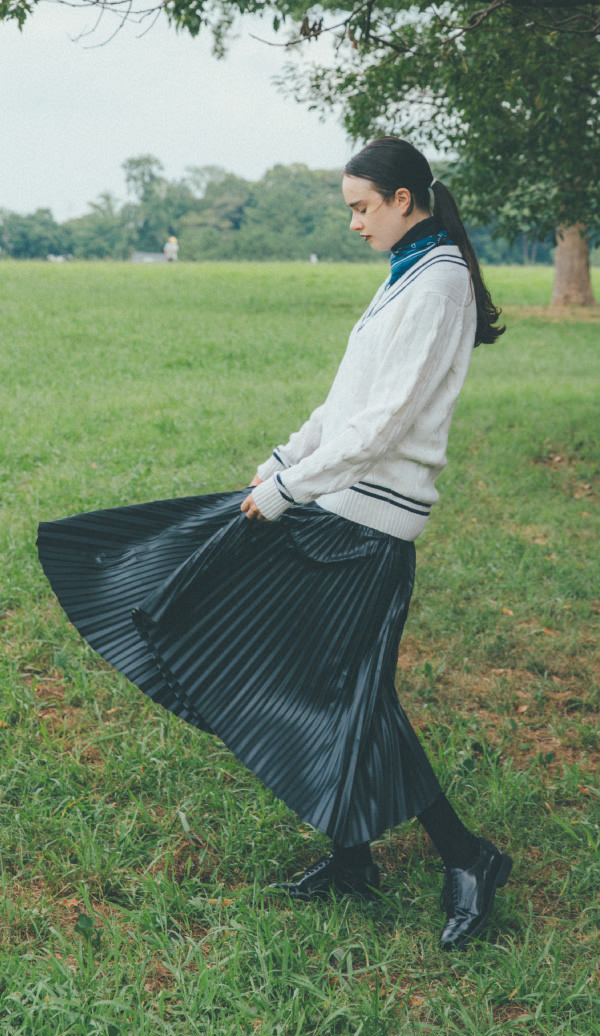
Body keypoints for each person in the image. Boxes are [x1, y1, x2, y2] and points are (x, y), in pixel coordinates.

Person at [37, 136, 509, 952]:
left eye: (362, 208)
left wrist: (290, 490)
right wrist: (286, 459)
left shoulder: (438, 284)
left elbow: (383, 424)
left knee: (347, 692)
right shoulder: (408, 272)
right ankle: (356, 860)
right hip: (341, 507)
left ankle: (469, 858)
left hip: (369, 526)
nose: (355, 223)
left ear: (403, 200)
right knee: (329, 685)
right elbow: (346, 400)